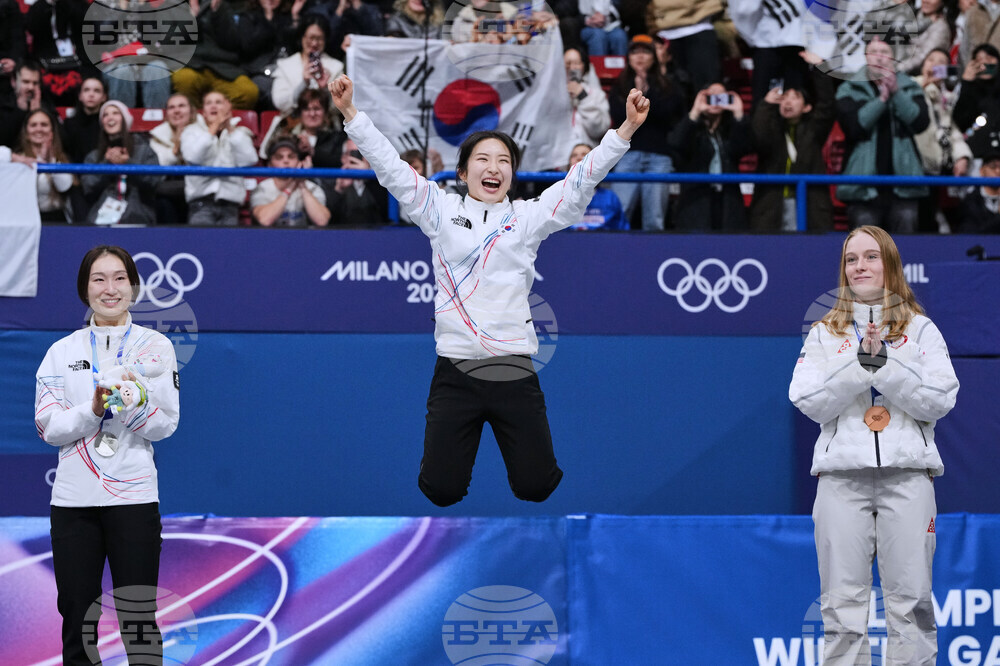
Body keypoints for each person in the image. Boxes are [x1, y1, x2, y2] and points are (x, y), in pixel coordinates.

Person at [328, 73, 648, 505]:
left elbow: (579, 182)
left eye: (504, 161)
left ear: (512, 175)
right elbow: (391, 167)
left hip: (512, 370)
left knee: (536, 486)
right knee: (441, 491)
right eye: (482, 159)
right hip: (455, 371)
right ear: (462, 172)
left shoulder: (528, 217)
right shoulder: (438, 209)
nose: (493, 167)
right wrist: (350, 112)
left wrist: (624, 130)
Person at [789, 225, 958, 666]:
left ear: (890, 265)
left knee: (912, 604)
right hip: (842, 480)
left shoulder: (921, 330)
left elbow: (940, 400)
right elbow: (807, 401)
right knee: (841, 607)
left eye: (870, 256)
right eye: (850, 259)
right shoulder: (825, 332)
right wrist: (859, 365)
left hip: (908, 478)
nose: (859, 266)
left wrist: (884, 366)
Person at [34, 245, 180, 666]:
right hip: (73, 504)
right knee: (77, 618)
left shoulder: (156, 348)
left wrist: (131, 404)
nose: (109, 289)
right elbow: (49, 427)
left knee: (139, 619)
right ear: (85, 289)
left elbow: (166, 424)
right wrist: (95, 410)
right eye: (99, 279)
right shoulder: (60, 352)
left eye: (119, 278)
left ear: (133, 286)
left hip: (133, 500)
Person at [835, 38, 930, 233]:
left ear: (893, 58)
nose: (879, 58)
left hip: (903, 185)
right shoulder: (849, 88)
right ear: (866, 57)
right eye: (873, 52)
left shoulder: (910, 86)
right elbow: (854, 127)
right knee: (865, 245)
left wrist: (896, 93)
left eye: (884, 52)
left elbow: (920, 122)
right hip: (863, 187)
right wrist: (882, 100)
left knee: (905, 247)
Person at [750, 51, 835, 232]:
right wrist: (765, 105)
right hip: (772, 207)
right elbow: (760, 136)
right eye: (784, 97)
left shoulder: (813, 131)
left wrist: (820, 69)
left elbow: (827, 105)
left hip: (808, 205)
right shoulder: (773, 129)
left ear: (807, 107)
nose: (788, 102)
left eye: (795, 97)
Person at [608, 34, 685, 231]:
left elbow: (667, 114)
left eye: (645, 52)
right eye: (635, 52)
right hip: (627, 154)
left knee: (655, 219)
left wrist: (646, 92)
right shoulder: (619, 86)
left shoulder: (669, 86)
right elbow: (618, 117)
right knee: (619, 214)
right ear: (628, 57)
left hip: (659, 155)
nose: (640, 57)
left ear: (654, 57)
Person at [668, 82, 752, 231]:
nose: (716, 100)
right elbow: (677, 143)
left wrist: (739, 115)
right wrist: (694, 113)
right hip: (696, 200)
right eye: (710, 96)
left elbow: (745, 148)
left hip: (727, 201)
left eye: (721, 96)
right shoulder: (691, 127)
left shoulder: (730, 130)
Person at [914, 48, 972, 232]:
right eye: (931, 60)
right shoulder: (909, 87)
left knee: (932, 223)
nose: (935, 64)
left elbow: (952, 130)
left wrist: (962, 156)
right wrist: (922, 88)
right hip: (913, 170)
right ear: (923, 65)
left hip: (936, 172)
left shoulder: (946, 98)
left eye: (941, 62)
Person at [180, 90, 258, 225]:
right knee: (200, 246)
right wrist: (214, 126)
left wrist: (229, 128)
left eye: (218, 102)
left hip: (230, 206)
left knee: (226, 246)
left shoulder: (240, 133)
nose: (213, 106)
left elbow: (249, 159)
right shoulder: (191, 131)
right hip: (200, 204)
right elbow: (192, 156)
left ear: (227, 108)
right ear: (203, 112)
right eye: (208, 103)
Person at [171, 0, 263, 110]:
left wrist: (217, 11)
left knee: (248, 92)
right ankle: (195, 120)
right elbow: (171, 43)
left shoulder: (224, 6)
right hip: (191, 65)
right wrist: (193, 16)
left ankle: (222, 121)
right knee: (184, 79)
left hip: (224, 68)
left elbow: (232, 42)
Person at [82, 101, 163, 226]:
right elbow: (88, 188)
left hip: (138, 218)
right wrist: (107, 165)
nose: (110, 117)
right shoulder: (94, 156)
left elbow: (153, 182)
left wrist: (128, 164)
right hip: (101, 220)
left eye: (115, 113)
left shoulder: (144, 150)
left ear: (125, 119)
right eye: (105, 115)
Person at [0, 109, 74, 222]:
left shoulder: (61, 158)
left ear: (52, 131)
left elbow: (64, 187)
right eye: (33, 125)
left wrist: (50, 161)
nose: (38, 129)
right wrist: (38, 160)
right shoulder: (16, 160)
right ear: (26, 133)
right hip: (24, 220)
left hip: (55, 219)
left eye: (44, 125)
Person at [271, 16, 346, 115]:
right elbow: (279, 103)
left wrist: (324, 89)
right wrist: (303, 84)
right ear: (302, 37)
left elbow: (341, 107)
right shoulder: (285, 65)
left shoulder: (336, 67)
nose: (314, 43)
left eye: (319, 38)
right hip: (293, 124)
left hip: (326, 126)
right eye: (311, 38)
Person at [250, 136, 331, 226]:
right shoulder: (262, 188)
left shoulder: (312, 188)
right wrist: (290, 187)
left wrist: (302, 186)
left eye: (291, 156)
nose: (286, 160)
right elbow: (265, 220)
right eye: (279, 157)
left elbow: (321, 221)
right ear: (270, 164)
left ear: (299, 161)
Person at [149, 93, 197, 225]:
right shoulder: (157, 136)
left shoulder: (204, 132)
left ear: (191, 111)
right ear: (166, 114)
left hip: (198, 188)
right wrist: (176, 148)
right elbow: (157, 165)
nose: (177, 111)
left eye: (181, 106)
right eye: (171, 107)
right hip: (167, 190)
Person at [323, 137, 390, 225]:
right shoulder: (331, 181)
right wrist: (339, 189)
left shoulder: (381, 181)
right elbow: (329, 218)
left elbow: (385, 213)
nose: (357, 158)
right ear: (343, 158)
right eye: (352, 153)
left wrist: (368, 177)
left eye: (362, 153)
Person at [952, 43, 1000, 158]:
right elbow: (960, 122)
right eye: (978, 60)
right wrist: (967, 83)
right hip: (977, 156)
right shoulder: (969, 90)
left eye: (989, 58)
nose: (984, 63)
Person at [566, 142, 627, 230]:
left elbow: (622, 232)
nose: (579, 158)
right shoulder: (558, 197)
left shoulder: (610, 198)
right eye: (574, 155)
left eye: (584, 155)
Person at [565, 45, 612, 147]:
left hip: (587, 155)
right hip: (558, 158)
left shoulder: (597, 95)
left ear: (584, 66)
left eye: (577, 63)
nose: (572, 68)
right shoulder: (552, 94)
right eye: (567, 63)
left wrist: (583, 97)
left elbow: (599, 130)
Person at [956, 147, 1000, 232]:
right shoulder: (971, 201)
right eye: (993, 166)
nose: (998, 171)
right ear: (982, 171)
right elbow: (970, 234)